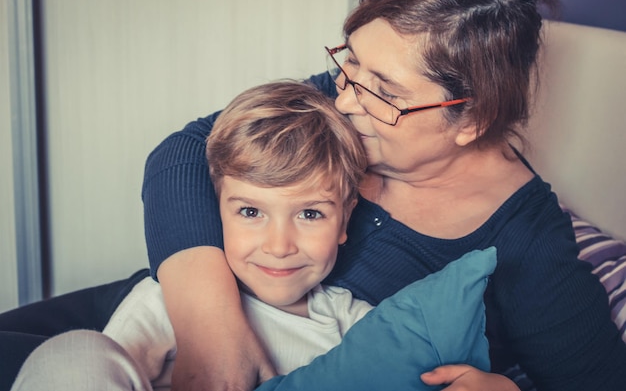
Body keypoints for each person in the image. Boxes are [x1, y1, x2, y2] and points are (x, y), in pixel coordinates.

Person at [1, 0, 626, 390]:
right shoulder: (345, 98)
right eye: (350, 61)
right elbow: (188, 149)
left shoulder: (525, 235)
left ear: (474, 118)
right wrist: (209, 322)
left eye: (383, 92)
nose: (344, 99)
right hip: (164, 310)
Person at [8, 81, 505, 391]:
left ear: (346, 219)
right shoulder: (163, 303)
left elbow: (404, 372)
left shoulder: (352, 323)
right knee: (75, 352)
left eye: (310, 215)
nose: (279, 244)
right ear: (214, 210)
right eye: (250, 211)